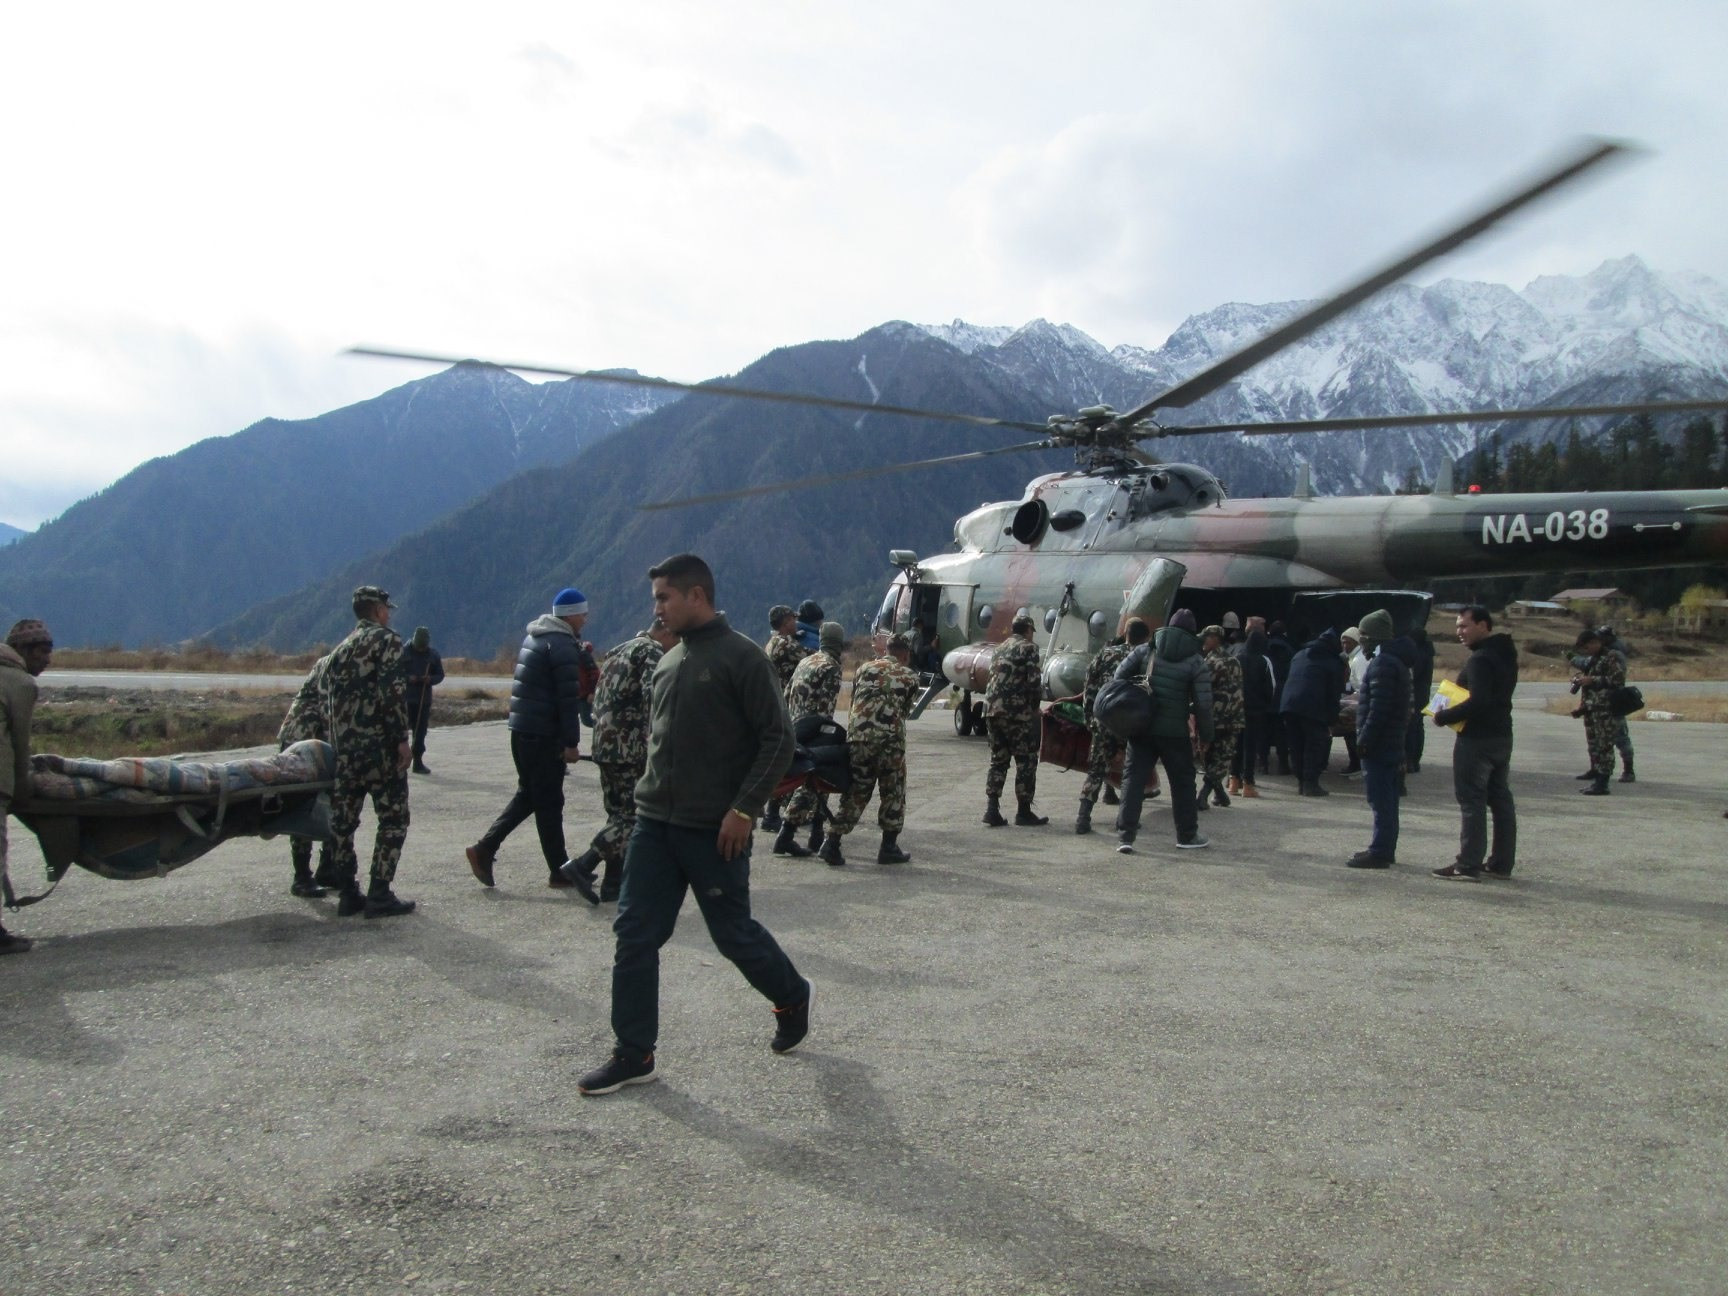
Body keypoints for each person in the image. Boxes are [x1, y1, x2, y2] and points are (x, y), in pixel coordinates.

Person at [577, 552, 809, 1096]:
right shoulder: (668, 660)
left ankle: (793, 995)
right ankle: (634, 1053)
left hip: (714, 828)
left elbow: (779, 740)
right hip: (655, 823)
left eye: (663, 597)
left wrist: (744, 810)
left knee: (733, 937)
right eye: (655, 597)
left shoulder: (742, 658)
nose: (656, 608)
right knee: (634, 934)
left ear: (695, 596)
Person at [467, 587, 594, 898]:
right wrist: (571, 743)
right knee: (549, 802)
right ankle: (558, 871)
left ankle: (488, 850)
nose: (586, 619)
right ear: (572, 614)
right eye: (583, 613)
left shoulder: (536, 637)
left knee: (532, 797)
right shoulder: (562, 645)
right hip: (542, 735)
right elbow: (567, 700)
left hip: (521, 730)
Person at [561, 618, 680, 902]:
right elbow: (657, 695)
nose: (676, 646)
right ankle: (583, 864)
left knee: (618, 814)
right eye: (676, 639)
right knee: (635, 816)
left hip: (605, 744)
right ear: (665, 630)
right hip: (629, 747)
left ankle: (613, 884)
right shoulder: (650, 652)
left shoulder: (621, 649)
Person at [320, 586, 415, 918]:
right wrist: (402, 739)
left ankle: (348, 893)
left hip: (345, 752)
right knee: (394, 819)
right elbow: (393, 693)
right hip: (379, 749)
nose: (389, 614)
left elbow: (328, 704)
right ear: (377, 611)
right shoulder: (387, 642)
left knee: (343, 824)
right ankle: (379, 892)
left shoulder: (338, 651)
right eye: (386, 609)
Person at [1113, 608, 1213, 852]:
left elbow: (1118, 677)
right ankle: (1187, 836)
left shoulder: (1146, 649)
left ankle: (1126, 836)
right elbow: (1204, 704)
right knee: (1183, 783)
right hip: (1175, 732)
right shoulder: (1196, 661)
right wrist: (1207, 736)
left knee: (1134, 781)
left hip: (1142, 727)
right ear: (1192, 633)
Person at [1431, 605, 1518, 881]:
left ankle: (1467, 864)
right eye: (1457, 627)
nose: (1459, 632)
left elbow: (1479, 701)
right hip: (1502, 735)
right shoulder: (1506, 654)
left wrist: (1443, 716)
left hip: (1477, 739)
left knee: (1472, 800)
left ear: (1484, 625)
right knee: (1500, 798)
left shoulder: (1480, 659)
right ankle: (1501, 863)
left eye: (1464, 626)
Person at [822, 632, 921, 866]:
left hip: (858, 737)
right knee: (893, 792)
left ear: (886, 650)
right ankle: (888, 847)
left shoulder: (864, 669)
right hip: (889, 742)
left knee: (856, 791)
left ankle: (832, 842)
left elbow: (856, 699)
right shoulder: (909, 676)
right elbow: (904, 712)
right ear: (906, 655)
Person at [1, 619, 53, 954]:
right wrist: (23, 792)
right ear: (24, 651)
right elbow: (21, 745)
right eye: (43, 653)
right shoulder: (20, 683)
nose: (48, 661)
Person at [773, 621, 845, 858]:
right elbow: (826, 709)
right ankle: (787, 833)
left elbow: (786, 694)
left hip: (795, 727)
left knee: (802, 778)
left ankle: (815, 832)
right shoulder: (831, 667)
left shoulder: (806, 660)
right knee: (815, 778)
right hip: (814, 730)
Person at [1347, 609, 1413, 869]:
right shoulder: (1395, 662)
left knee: (1381, 799)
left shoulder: (1383, 664)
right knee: (1387, 798)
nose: (1361, 639)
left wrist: (1364, 739)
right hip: (1391, 740)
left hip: (1381, 743)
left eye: (1363, 634)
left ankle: (1381, 851)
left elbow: (1379, 708)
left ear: (1375, 636)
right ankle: (1383, 847)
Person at [1075, 621, 1146, 835]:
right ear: (1145, 638)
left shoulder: (1105, 654)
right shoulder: (1144, 657)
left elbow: (1089, 686)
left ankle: (1083, 817)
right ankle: (1125, 820)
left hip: (1104, 718)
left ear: (1125, 634)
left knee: (1096, 769)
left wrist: (1089, 717)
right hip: (1131, 722)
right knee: (1131, 771)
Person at [982, 614, 1047, 827]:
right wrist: (1035, 708)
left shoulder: (999, 648)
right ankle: (1024, 811)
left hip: (992, 711)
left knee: (998, 760)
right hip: (1017, 713)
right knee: (1026, 760)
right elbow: (1034, 682)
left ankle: (992, 809)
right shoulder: (1029, 648)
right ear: (1028, 629)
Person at [277, 654, 333, 898]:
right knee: (304, 805)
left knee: (337, 802)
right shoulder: (334, 666)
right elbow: (331, 710)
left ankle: (329, 868)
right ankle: (301, 876)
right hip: (301, 741)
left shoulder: (347, 661)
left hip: (320, 741)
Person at [1279, 627, 1346, 796]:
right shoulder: (1332, 661)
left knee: (1296, 744)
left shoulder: (1299, 655)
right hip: (1313, 707)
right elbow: (1333, 692)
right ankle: (1310, 783)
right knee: (1314, 745)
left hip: (1289, 705)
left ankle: (1301, 782)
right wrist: (1332, 718)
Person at [761, 605, 809, 832]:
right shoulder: (787, 644)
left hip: (773, 706)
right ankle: (774, 813)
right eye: (792, 619)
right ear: (783, 622)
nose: (795, 623)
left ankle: (779, 809)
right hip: (784, 709)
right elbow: (811, 659)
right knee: (787, 761)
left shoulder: (772, 642)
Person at [1570, 626, 1626, 797]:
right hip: (1591, 709)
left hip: (1605, 709)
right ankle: (1596, 774)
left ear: (1595, 643)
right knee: (1594, 745)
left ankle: (1603, 782)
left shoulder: (1611, 657)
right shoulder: (1594, 659)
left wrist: (1592, 679)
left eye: (1587, 647)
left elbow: (1617, 680)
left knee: (1604, 746)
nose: (1585, 651)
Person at [1198, 625, 1244, 809]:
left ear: (1216, 638)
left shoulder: (1212, 662)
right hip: (1233, 717)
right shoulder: (1234, 660)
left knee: (1214, 756)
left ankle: (1203, 796)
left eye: (1206, 637)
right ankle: (1220, 795)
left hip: (1217, 717)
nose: (1203, 641)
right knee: (1220, 756)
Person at [1231, 626, 1275, 799]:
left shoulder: (1236, 659)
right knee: (1250, 747)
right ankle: (1248, 784)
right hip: (1255, 710)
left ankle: (1233, 782)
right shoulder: (1264, 661)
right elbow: (1271, 687)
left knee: (1235, 745)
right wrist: (1265, 704)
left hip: (1236, 708)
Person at [401, 626, 445, 774]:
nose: (420, 650)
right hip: (405, 699)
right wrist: (408, 678)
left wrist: (430, 679)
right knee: (400, 732)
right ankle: (398, 761)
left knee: (420, 733)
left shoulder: (433, 655)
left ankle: (418, 761)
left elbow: (440, 675)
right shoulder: (403, 652)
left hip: (423, 700)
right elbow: (394, 672)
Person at [1404, 623, 1437, 774]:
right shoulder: (1428, 652)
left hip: (1415, 695)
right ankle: (1415, 760)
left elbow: (1413, 674)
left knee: (1411, 728)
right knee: (1418, 727)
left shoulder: (1418, 654)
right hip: (1423, 695)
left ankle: (1410, 760)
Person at [1338, 627, 1365, 776]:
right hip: (1355, 699)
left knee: (1351, 732)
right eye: (1342, 643)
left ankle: (1357, 764)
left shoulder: (1359, 660)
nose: (1345, 646)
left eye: (1348, 643)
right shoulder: (1352, 658)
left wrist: (1350, 699)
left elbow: (1363, 686)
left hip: (1360, 703)